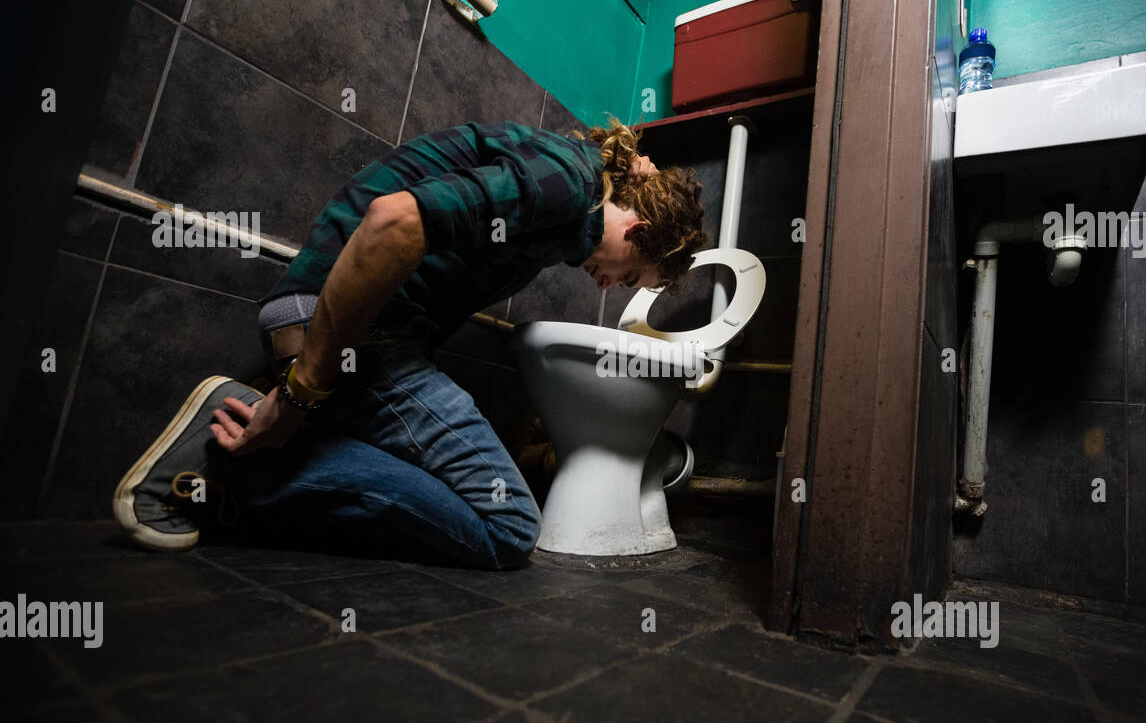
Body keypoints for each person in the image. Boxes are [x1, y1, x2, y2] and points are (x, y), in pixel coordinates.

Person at [112, 117, 708, 569]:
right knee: (509, 526)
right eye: (630, 275)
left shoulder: (570, 196)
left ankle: (262, 455)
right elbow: (392, 222)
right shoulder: (570, 183)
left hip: (349, 331)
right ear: (639, 229)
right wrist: (297, 397)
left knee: (453, 495)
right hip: (344, 328)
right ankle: (227, 467)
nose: (611, 284)